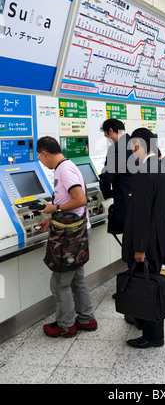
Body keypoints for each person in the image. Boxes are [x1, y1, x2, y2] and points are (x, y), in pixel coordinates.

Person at [36, 136, 97, 337]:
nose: (41, 163)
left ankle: (65, 325)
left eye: (40, 158)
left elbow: (80, 199)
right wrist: (51, 217)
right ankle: (86, 319)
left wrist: (55, 207)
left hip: (70, 236)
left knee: (59, 283)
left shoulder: (64, 169)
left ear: (45, 153)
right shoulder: (66, 166)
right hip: (74, 230)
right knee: (77, 278)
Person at [122, 128, 165, 348]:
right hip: (158, 237)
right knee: (150, 284)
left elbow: (142, 215)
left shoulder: (144, 172)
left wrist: (139, 248)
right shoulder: (161, 167)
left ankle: (152, 336)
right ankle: (144, 321)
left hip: (147, 242)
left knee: (148, 288)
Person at [99, 119, 134, 236]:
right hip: (141, 197)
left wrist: (107, 193)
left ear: (111, 131)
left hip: (125, 200)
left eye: (106, 136)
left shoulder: (116, 148)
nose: (108, 140)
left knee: (129, 238)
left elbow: (106, 177)